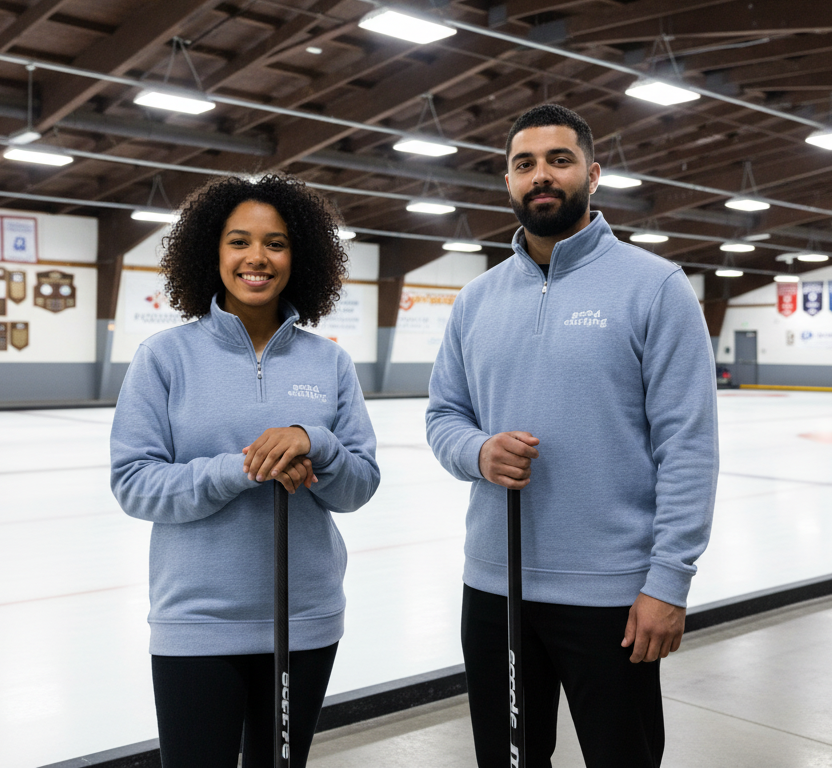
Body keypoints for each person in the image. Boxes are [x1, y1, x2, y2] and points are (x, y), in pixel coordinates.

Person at [426, 104, 718, 768]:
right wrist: (478, 451)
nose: (541, 176)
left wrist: (668, 582)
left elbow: (688, 446)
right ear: (507, 181)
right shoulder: (477, 301)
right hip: (496, 591)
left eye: (559, 159)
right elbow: (443, 416)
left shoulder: (653, 288)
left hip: (613, 597)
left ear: (593, 172)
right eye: (524, 164)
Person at [110, 174, 380, 768]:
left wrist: (319, 443)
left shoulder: (328, 361)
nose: (257, 258)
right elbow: (133, 482)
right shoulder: (164, 357)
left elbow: (360, 483)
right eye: (238, 242)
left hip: (304, 622)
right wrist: (242, 469)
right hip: (198, 623)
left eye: (276, 243)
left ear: (297, 256)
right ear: (213, 251)